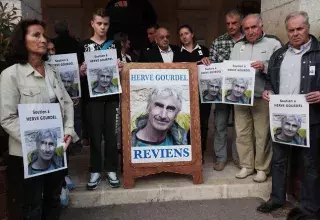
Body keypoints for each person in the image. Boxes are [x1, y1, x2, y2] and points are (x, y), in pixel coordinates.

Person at [0, 19, 78, 220]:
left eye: (44, 35)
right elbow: (7, 118)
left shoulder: (53, 72)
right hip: (26, 154)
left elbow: (67, 103)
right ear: (22, 40)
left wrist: (68, 131)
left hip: (56, 149)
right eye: (36, 35)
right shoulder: (11, 75)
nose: (43, 40)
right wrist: (35, 139)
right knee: (31, 205)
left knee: (53, 200)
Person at [257, 11, 320, 219]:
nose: (295, 33)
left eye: (299, 29)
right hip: (281, 118)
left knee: (309, 164)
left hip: (310, 118)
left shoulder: (318, 53)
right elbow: (269, 79)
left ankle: (310, 208)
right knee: (279, 160)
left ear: (308, 27)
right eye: (291, 30)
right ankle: (277, 198)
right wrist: (268, 90)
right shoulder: (279, 55)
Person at [230, 14, 282, 182]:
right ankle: (246, 166)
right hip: (240, 97)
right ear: (243, 30)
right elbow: (230, 70)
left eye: (254, 27)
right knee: (242, 133)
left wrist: (265, 66)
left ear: (261, 26)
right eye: (246, 28)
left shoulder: (273, 44)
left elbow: (281, 68)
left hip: (262, 96)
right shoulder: (238, 46)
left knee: (262, 134)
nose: (250, 31)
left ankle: (262, 168)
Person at [78, 8, 122, 190]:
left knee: (112, 135)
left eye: (105, 24)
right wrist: (80, 72)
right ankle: (95, 169)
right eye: (99, 23)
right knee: (95, 135)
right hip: (92, 98)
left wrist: (120, 67)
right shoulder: (83, 45)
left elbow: (119, 68)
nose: (102, 27)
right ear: (92, 24)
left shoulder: (114, 45)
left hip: (112, 96)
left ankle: (111, 169)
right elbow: (77, 73)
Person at [202, 9, 244, 171]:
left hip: (241, 91)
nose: (231, 26)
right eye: (228, 23)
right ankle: (220, 158)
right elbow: (211, 63)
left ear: (240, 23)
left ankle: (238, 157)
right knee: (220, 125)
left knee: (241, 127)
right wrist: (207, 61)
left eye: (234, 23)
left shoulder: (248, 42)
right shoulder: (218, 41)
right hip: (221, 92)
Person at [172, 24, 209, 163]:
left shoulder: (204, 50)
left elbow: (212, 69)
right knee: (186, 122)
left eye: (186, 33)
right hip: (185, 94)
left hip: (202, 93)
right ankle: (187, 151)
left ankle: (200, 153)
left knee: (202, 123)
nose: (184, 37)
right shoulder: (177, 53)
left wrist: (207, 62)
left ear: (192, 34)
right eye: (181, 35)